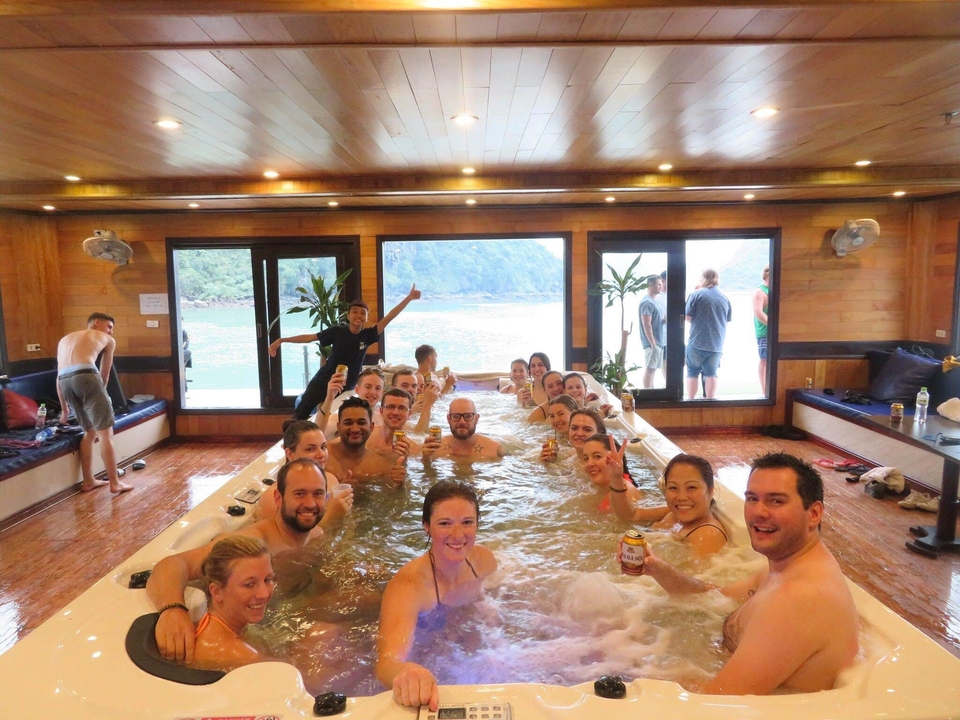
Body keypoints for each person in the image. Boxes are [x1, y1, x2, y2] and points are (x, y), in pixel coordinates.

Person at [642, 453, 859, 694]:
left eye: (776, 501)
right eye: (752, 499)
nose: (759, 512)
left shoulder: (800, 598)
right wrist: (658, 569)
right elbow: (712, 594)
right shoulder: (783, 570)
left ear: (814, 514)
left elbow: (715, 703)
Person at [146, 458, 328, 663]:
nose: (311, 503)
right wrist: (172, 610)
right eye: (300, 493)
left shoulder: (316, 535)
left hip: (277, 620)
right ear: (278, 497)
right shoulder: (251, 544)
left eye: (318, 494)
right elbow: (172, 564)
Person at [376, 480, 497, 711]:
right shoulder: (409, 586)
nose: (457, 534)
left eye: (467, 522)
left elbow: (497, 600)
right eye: (445, 523)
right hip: (430, 645)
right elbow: (387, 662)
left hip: (463, 638)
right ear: (426, 526)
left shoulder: (483, 561)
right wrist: (408, 672)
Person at [270, 286, 421, 420]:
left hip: (347, 387)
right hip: (323, 380)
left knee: (340, 417)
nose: (358, 315)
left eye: (363, 313)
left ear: (366, 318)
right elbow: (310, 337)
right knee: (300, 414)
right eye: (355, 312)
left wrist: (408, 298)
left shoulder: (367, 336)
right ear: (348, 316)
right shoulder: (337, 332)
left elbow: (389, 317)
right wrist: (282, 340)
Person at [55, 312, 132, 494]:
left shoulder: (65, 339)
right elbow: (104, 374)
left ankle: (88, 481)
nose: (111, 332)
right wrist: (102, 394)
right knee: (106, 434)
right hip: (87, 376)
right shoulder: (106, 339)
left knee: (89, 432)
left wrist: (64, 410)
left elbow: (59, 377)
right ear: (97, 323)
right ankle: (115, 483)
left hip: (65, 382)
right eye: (110, 327)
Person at [610, 453, 728, 556]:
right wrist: (616, 478)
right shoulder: (674, 514)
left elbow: (694, 579)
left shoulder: (707, 535)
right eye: (673, 487)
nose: (681, 497)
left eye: (691, 487)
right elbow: (630, 516)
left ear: (710, 491)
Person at [190, 535, 275, 671]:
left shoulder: (207, 626)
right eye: (249, 584)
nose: (264, 594)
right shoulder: (244, 656)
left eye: (268, 579)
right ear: (217, 592)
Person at [257, 420, 353, 530]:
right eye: (310, 449)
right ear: (290, 454)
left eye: (323, 447)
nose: (321, 454)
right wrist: (331, 517)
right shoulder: (273, 498)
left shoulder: (330, 480)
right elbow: (285, 544)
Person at [582, 433, 668, 520]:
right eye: (586, 458)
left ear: (613, 458)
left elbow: (627, 521)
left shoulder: (622, 493)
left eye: (597, 456)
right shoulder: (602, 489)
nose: (589, 464)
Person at [326, 396, 407, 483]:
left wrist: (399, 485)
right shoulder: (323, 456)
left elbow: (392, 494)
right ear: (338, 427)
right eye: (348, 423)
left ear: (371, 427)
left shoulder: (381, 467)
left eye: (361, 423)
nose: (355, 429)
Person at [685, 269, 732, 400]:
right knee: (712, 373)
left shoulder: (696, 294)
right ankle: (711, 400)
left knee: (692, 372)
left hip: (697, 341)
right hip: (716, 344)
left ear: (704, 278)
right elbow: (726, 321)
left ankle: (691, 399)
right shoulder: (724, 298)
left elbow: (688, 317)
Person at [424, 397, 503, 461]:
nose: (462, 421)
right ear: (448, 419)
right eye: (456, 416)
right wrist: (426, 459)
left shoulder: (495, 450)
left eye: (468, 416)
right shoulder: (433, 449)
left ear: (476, 419)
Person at [367, 388, 421, 456]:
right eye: (391, 407)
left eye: (402, 408)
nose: (396, 413)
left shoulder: (413, 449)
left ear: (409, 414)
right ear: (381, 411)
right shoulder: (366, 436)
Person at [639, 275, 666, 389]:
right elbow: (646, 324)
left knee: (653, 370)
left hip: (658, 341)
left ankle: (651, 392)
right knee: (650, 369)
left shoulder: (655, 302)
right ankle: (648, 393)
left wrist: (663, 321)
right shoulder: (647, 302)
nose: (661, 287)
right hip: (652, 342)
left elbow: (653, 322)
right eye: (659, 284)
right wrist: (652, 343)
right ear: (651, 284)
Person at [538, 395, 579, 461]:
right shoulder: (556, 439)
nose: (556, 420)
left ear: (574, 413)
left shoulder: (583, 442)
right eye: (552, 416)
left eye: (561, 414)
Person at [753, 265, 770, 395]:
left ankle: (770, 389)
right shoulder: (760, 292)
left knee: (772, 360)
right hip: (765, 332)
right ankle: (764, 391)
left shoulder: (774, 290)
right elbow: (758, 313)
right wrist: (773, 326)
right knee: (764, 360)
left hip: (775, 333)